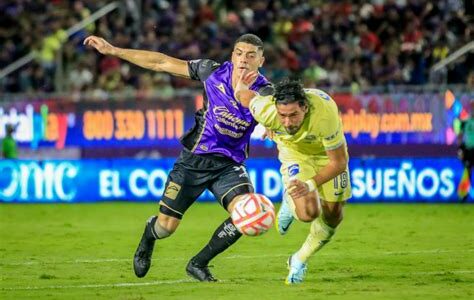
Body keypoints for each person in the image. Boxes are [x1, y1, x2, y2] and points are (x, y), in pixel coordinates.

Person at [84, 34, 273, 281]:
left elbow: (274, 112)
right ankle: (149, 236)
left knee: (248, 214)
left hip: (229, 165)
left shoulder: (267, 92)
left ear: (261, 60)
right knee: (166, 228)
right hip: (193, 160)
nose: (243, 60)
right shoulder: (211, 72)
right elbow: (161, 62)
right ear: (232, 56)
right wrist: (114, 50)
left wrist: (273, 123)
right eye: (239, 53)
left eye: (251, 55)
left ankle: (198, 264)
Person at [235, 76, 351, 284]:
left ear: (305, 107)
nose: (287, 122)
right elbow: (243, 95)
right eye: (282, 116)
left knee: (334, 215)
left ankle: (298, 259)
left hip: (327, 157)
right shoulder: (267, 110)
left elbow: (339, 162)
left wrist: (310, 184)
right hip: (294, 154)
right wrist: (242, 82)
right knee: (308, 213)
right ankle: (291, 199)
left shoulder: (324, 114)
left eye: (293, 115)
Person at [457, 102, 474, 202]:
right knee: (467, 172)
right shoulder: (465, 122)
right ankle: (463, 195)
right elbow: (460, 136)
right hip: (468, 150)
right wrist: (460, 149)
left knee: (467, 172)